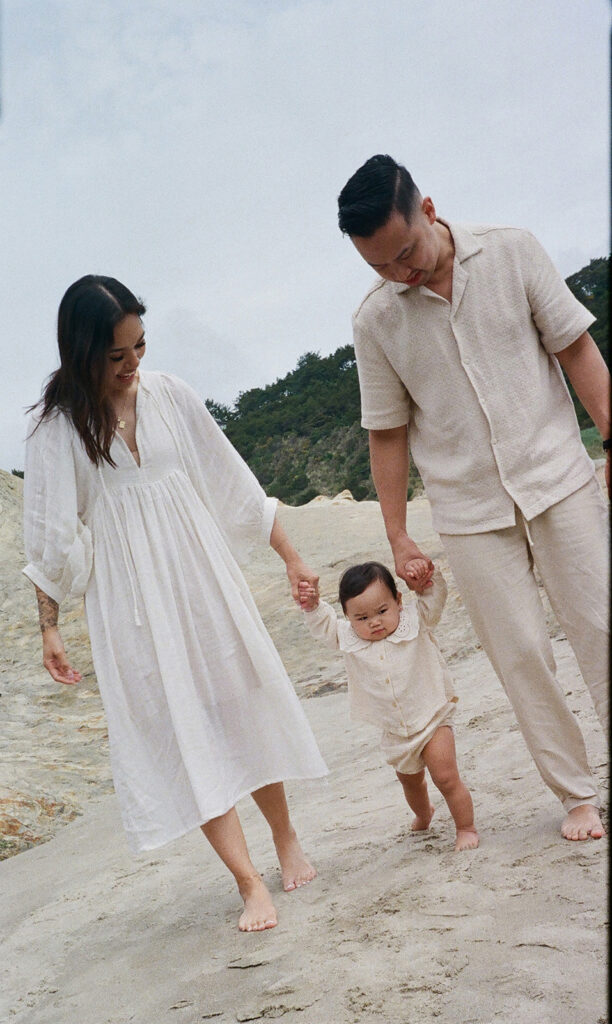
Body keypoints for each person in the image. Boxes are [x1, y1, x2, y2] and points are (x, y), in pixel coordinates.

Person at [23, 275, 328, 933]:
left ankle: (284, 836)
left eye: (139, 347)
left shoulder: (172, 396)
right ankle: (248, 882)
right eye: (116, 356)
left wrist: (292, 555)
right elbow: (48, 540)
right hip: (132, 603)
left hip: (200, 578)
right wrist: (49, 628)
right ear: (82, 355)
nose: (133, 365)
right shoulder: (55, 432)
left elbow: (233, 485)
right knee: (181, 729)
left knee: (239, 702)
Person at [336, 154, 609, 842]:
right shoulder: (375, 322)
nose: (402, 274)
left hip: (557, 475)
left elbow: (576, 348)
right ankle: (576, 795)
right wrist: (398, 534)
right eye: (381, 267)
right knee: (520, 653)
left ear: (428, 210)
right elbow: (388, 435)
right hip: (466, 510)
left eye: (406, 253)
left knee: (602, 626)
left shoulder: (513, 251)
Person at [299, 561, 478, 851]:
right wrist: (312, 605)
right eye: (361, 617)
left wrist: (425, 582)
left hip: (432, 716)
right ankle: (424, 812)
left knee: (446, 777)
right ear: (347, 616)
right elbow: (324, 625)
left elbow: (435, 599)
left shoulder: (415, 619)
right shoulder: (347, 637)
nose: (374, 622)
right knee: (410, 782)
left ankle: (466, 827)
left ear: (397, 601)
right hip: (394, 730)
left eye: (382, 611)